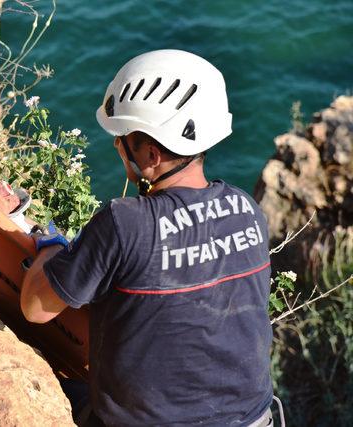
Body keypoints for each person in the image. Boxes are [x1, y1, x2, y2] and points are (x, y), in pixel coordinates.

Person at [20, 49, 275, 426]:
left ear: (151, 155)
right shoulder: (247, 209)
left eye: (123, 139)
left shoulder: (125, 222)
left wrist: (52, 248)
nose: (116, 145)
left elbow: (35, 308)